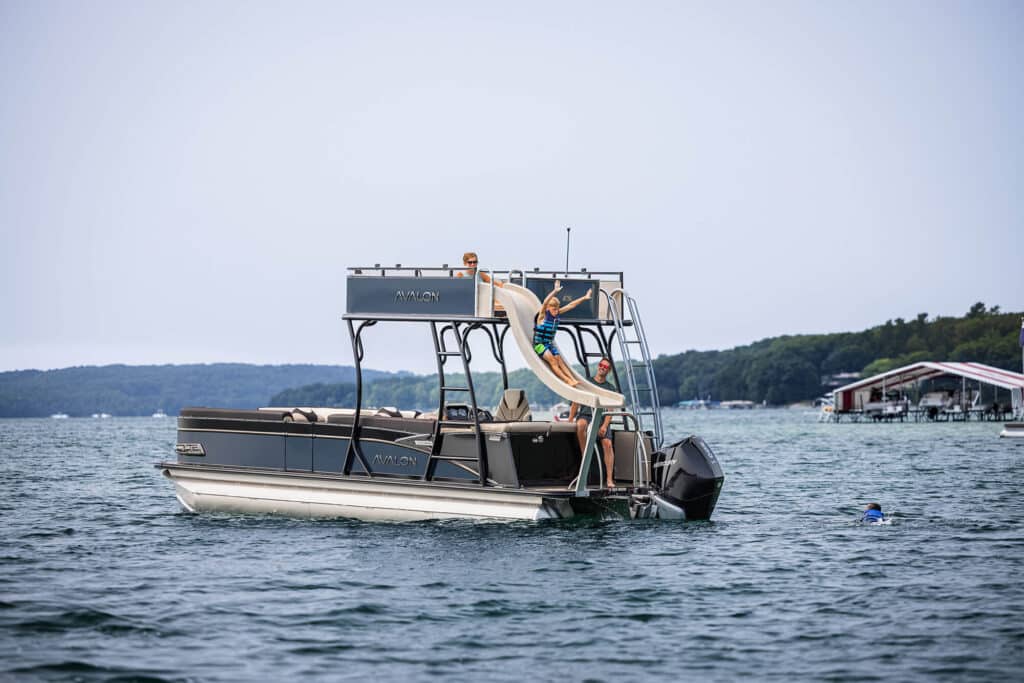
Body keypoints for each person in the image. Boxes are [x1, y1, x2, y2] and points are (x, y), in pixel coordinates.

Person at [569, 358, 618, 488]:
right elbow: (576, 402)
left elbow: (610, 411)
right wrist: (570, 420)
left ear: (609, 370)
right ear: (598, 366)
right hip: (586, 415)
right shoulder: (587, 383)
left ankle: (609, 479)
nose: (602, 368)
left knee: (607, 444)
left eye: (606, 367)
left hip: (602, 418)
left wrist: (604, 426)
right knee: (580, 425)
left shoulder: (610, 388)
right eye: (601, 365)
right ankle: (586, 455)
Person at [533, 280, 591, 386]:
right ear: (548, 308)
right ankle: (567, 380)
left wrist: (584, 298)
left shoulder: (557, 313)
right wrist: (555, 291)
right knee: (553, 361)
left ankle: (572, 379)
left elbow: (571, 305)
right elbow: (545, 302)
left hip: (549, 344)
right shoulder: (542, 316)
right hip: (539, 345)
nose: (556, 311)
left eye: (557, 309)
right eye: (554, 309)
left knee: (560, 360)